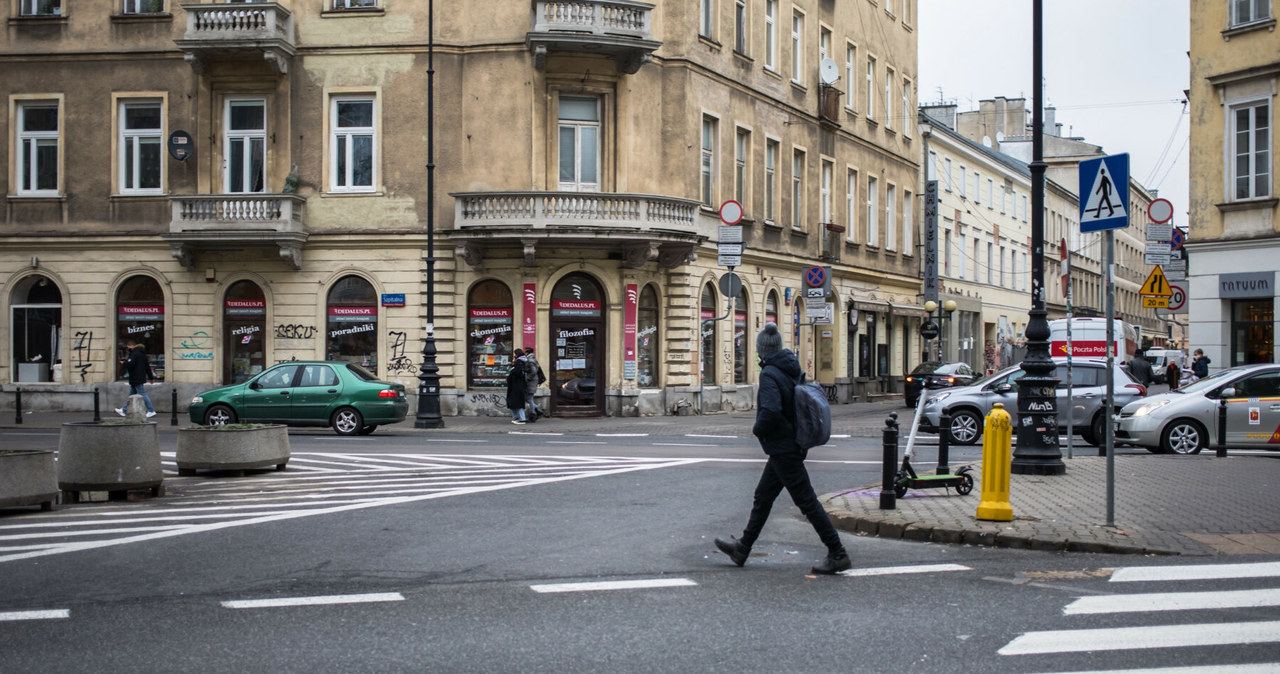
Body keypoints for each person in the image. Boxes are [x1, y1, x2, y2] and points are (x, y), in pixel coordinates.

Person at [714, 323, 852, 575]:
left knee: (807, 501)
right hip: (792, 444)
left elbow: (771, 410)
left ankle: (838, 552)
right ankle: (742, 548)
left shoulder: (769, 374)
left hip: (783, 448)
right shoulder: (790, 368)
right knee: (763, 496)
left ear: (761, 350)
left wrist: (758, 429)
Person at [117, 338, 157, 418]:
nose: (128, 348)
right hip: (139, 377)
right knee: (132, 394)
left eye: (128, 347)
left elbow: (130, 364)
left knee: (142, 394)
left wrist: (124, 363)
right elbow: (147, 366)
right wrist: (151, 377)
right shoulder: (142, 353)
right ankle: (124, 410)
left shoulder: (134, 353)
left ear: (131, 346)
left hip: (136, 377)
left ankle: (151, 410)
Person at [523, 347, 546, 422]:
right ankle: (537, 411)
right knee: (529, 398)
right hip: (533, 381)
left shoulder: (530, 360)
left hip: (531, 382)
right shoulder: (533, 359)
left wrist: (527, 378)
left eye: (525, 352)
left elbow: (533, 371)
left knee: (528, 398)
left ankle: (533, 414)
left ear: (527, 353)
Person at [506, 349, 528, 425]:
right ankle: (517, 417)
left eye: (515, 354)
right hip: (517, 385)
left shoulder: (519, 362)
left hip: (517, 386)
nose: (514, 356)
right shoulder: (523, 361)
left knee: (517, 402)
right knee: (514, 402)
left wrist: (511, 371)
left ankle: (522, 419)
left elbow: (516, 372)